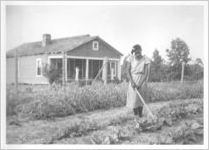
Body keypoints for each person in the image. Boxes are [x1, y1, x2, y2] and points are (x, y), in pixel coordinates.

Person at [126, 44, 151, 117]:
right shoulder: (131, 58)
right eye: (135, 53)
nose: (137, 54)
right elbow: (127, 71)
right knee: (134, 99)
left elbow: (146, 73)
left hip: (142, 79)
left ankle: (140, 115)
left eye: (138, 52)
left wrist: (140, 84)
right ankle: (136, 116)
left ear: (141, 51)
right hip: (133, 79)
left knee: (140, 99)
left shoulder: (145, 59)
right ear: (133, 53)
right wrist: (132, 82)